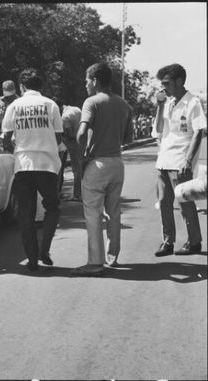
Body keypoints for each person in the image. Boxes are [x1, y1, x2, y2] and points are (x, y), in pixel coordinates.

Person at [70, 62, 133, 277]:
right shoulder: (125, 105)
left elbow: (80, 134)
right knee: (113, 213)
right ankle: (112, 256)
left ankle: (94, 263)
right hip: (117, 163)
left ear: (95, 80)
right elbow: (129, 137)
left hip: (97, 164)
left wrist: (81, 159)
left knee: (92, 215)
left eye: (87, 81)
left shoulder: (92, 102)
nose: (86, 85)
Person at [2, 68, 63, 271]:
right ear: (41, 86)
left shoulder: (15, 106)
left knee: (26, 214)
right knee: (52, 208)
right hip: (47, 165)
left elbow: (5, 138)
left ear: (21, 86)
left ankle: (33, 259)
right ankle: (45, 249)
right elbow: (58, 137)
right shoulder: (50, 104)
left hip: (24, 165)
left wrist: (17, 148)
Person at [152, 63, 205, 257]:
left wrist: (188, 160)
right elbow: (157, 129)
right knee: (164, 202)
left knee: (185, 202)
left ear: (179, 81)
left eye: (166, 83)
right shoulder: (166, 102)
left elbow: (199, 131)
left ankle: (194, 242)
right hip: (164, 159)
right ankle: (168, 241)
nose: (163, 87)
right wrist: (159, 106)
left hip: (181, 160)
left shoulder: (193, 102)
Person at [55, 98, 83, 201]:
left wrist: (62, 137)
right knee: (81, 167)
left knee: (76, 170)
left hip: (73, 143)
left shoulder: (64, 117)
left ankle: (77, 194)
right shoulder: (76, 109)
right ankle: (83, 192)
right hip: (82, 141)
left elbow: (70, 134)